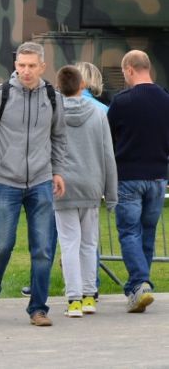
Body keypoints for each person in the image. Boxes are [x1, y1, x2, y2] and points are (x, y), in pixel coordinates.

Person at [0, 41, 67, 327]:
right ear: (15, 65)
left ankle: (38, 308)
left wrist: (58, 171)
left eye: (31, 66)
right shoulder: (0, 94)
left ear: (42, 67)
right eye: (21, 65)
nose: (26, 71)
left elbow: (59, 137)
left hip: (41, 181)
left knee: (43, 248)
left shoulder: (52, 96)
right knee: (2, 244)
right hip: (5, 181)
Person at [107, 49, 169, 313]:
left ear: (129, 69)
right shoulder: (165, 99)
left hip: (128, 176)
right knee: (148, 231)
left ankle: (140, 282)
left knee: (129, 231)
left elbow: (107, 137)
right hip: (158, 176)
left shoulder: (122, 102)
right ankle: (138, 289)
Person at [53, 65, 118, 317]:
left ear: (58, 87)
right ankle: (90, 296)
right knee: (89, 244)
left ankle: (74, 300)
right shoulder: (99, 113)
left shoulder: (52, 113)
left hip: (62, 186)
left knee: (69, 244)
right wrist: (111, 194)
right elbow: (108, 154)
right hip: (91, 185)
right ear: (83, 85)